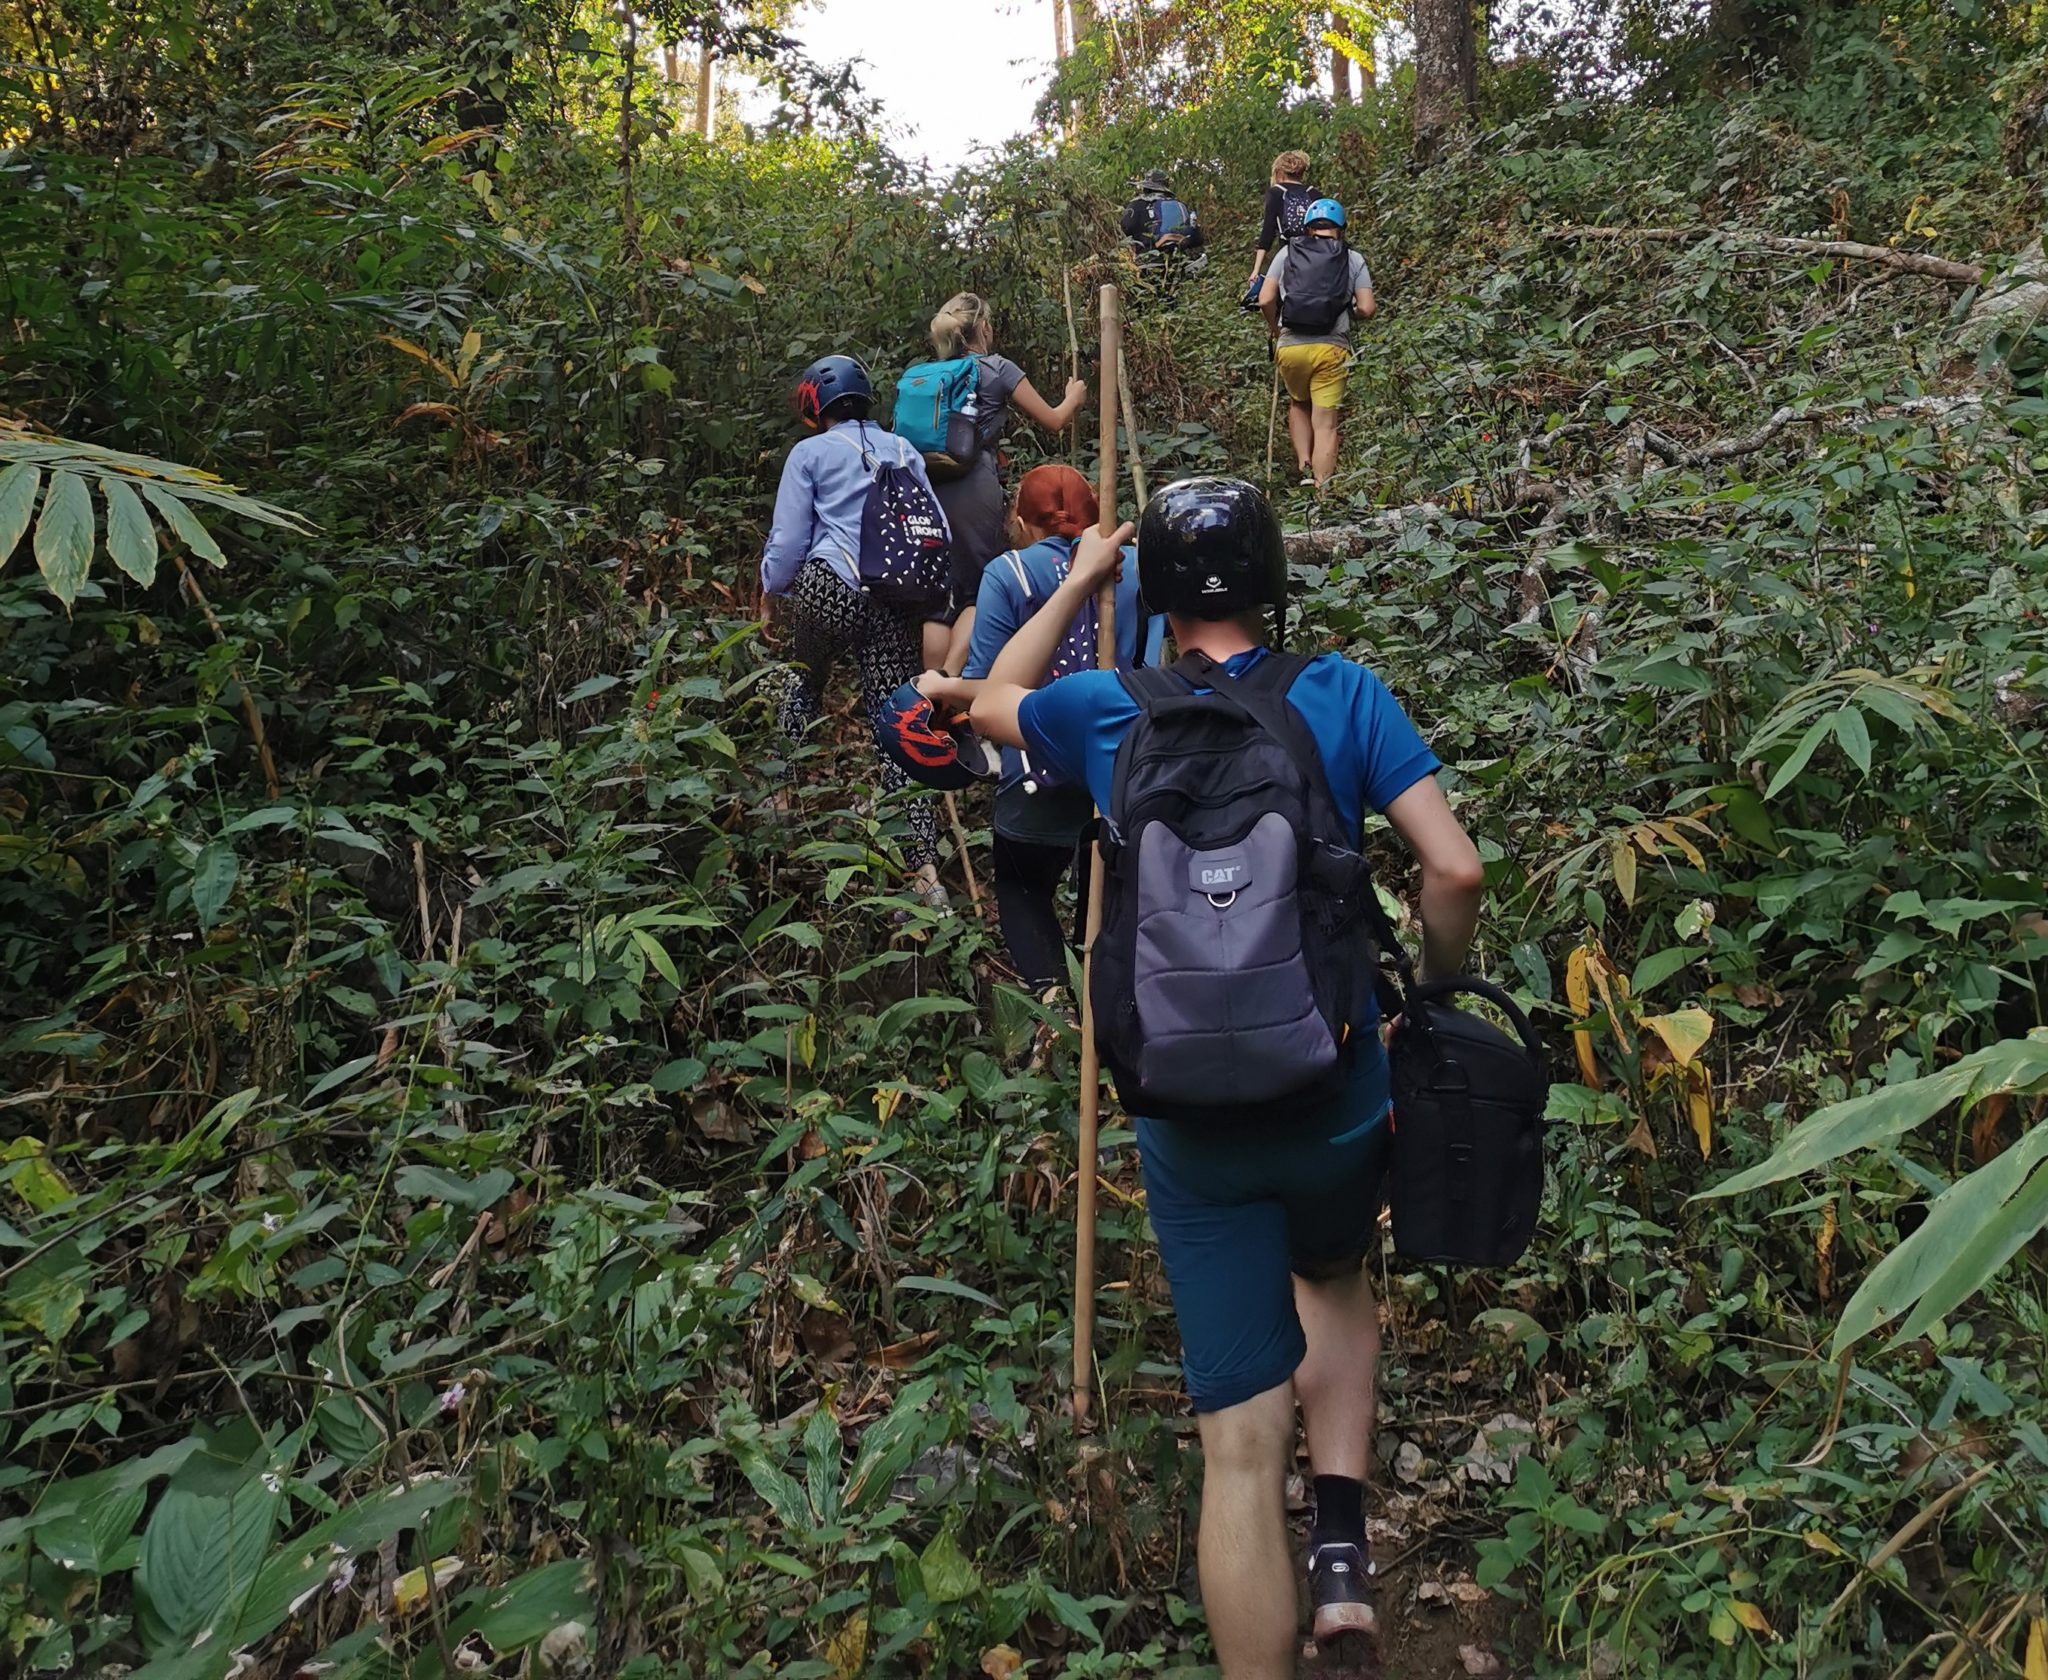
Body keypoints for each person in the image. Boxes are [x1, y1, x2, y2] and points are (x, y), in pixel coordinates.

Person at [968, 477, 1485, 1677]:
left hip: (1185, 1121)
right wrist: (1432, 995)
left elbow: (992, 698)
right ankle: (1346, 1564)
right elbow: (1451, 873)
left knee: (1237, 1454)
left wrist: (1082, 581)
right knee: (1336, 1272)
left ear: (1153, 588)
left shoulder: (1103, 711)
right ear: (1272, 580)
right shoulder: (1338, 693)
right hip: (1336, 1090)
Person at [916, 465, 1158, 992]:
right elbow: (1154, 666)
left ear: (1023, 523)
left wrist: (942, 686)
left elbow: (990, 691)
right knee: (1108, 891)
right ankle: (1100, 998)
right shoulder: (1137, 568)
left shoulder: (1009, 574)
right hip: (1123, 763)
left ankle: (1053, 998)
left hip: (1035, 760)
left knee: (1023, 888)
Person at [759, 353, 950, 910]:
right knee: (897, 723)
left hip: (830, 591)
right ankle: (926, 872)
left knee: (804, 680)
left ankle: (781, 794)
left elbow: (789, 542)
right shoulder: (905, 449)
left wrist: (773, 589)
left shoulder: (810, 453)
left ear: (815, 406)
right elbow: (933, 529)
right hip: (894, 601)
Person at [922, 293, 1089, 680]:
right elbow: (1053, 420)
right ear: (982, 327)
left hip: (929, 488)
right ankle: (948, 683)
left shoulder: (933, 376)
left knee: (940, 594)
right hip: (973, 487)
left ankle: (926, 692)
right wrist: (1073, 398)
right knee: (977, 587)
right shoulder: (996, 368)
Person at [1258, 198, 1374, 491]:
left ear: (1308, 229)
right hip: (1332, 349)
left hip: (1291, 347)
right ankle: (1322, 490)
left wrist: (1275, 328)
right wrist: (1352, 311)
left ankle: (1304, 464)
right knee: (1326, 424)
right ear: (1341, 229)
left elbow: (1265, 299)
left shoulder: (1287, 253)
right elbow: (1368, 309)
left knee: (1298, 402)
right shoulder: (1353, 258)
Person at [1244, 150, 1319, 306]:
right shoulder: (1315, 194)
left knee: (1269, 300)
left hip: (1288, 254)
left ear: (1279, 172)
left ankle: (1276, 329)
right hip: (1318, 254)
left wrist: (1256, 269)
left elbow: (1268, 233)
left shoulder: (1276, 193)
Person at [1121, 169, 1208, 272]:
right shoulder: (1179, 205)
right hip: (1181, 261)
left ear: (1146, 187)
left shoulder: (1136, 205)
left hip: (1148, 262)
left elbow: (1125, 228)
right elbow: (1198, 239)